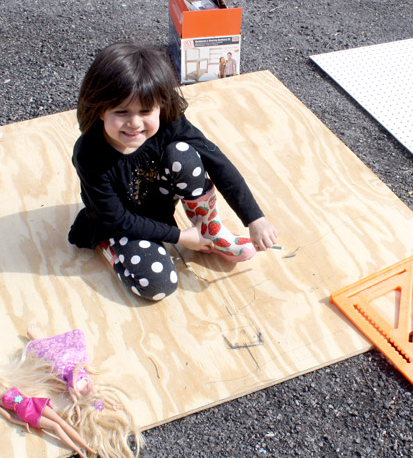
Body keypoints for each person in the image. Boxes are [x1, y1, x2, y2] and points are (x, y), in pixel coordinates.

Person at [68, 43, 277, 301]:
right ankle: (110, 248)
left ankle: (209, 231)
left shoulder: (169, 123)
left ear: (160, 105)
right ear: (100, 109)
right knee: (158, 285)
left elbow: (216, 161)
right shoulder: (90, 153)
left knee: (184, 153)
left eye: (145, 111)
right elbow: (116, 218)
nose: (134, 123)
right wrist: (180, 237)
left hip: (159, 210)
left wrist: (254, 218)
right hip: (119, 225)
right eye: (121, 112)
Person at [24, 327, 146, 458]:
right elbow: (98, 394)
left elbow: (77, 400)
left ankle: (33, 336)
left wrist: (81, 412)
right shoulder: (89, 385)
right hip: (74, 362)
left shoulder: (75, 390)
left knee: (47, 350)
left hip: (62, 366)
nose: (93, 391)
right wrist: (113, 404)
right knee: (54, 348)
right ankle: (33, 334)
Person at [0, 373, 96, 458]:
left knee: (61, 423)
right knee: (55, 426)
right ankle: (79, 451)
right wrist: (22, 424)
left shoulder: (13, 389)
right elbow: (9, 417)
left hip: (33, 403)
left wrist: (46, 403)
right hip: (27, 413)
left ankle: (86, 446)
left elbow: (26, 397)